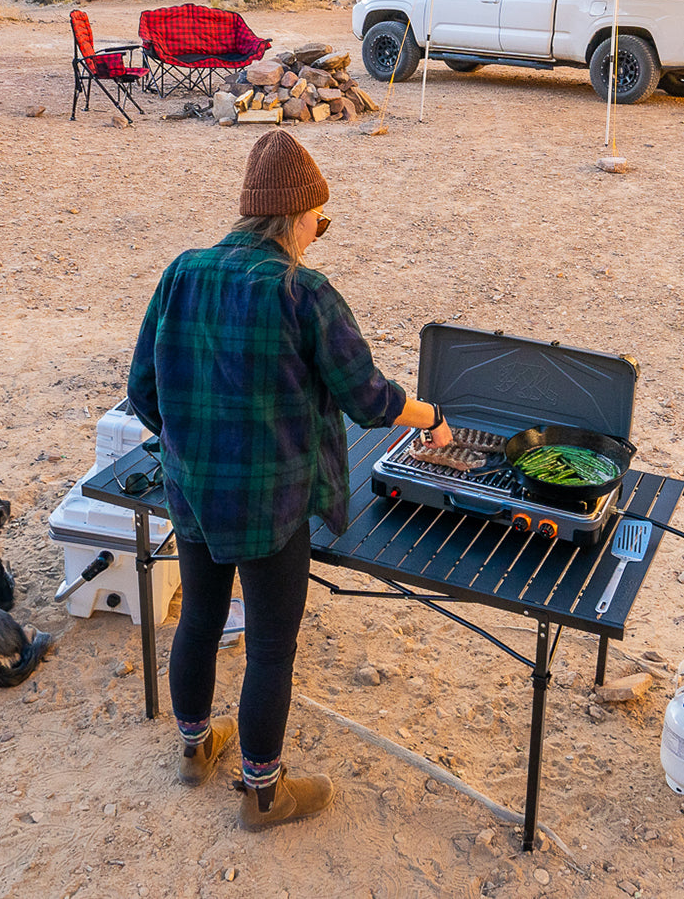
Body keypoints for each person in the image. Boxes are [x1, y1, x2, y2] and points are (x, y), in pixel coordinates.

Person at [127, 130, 453, 831]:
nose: (316, 236)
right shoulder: (303, 291)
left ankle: (194, 748)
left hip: (192, 491)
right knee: (272, 646)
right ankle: (263, 795)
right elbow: (368, 398)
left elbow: (142, 393)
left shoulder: (183, 271)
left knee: (200, 617)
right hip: (270, 504)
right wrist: (430, 415)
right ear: (298, 217)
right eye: (318, 222)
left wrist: (192, 443)